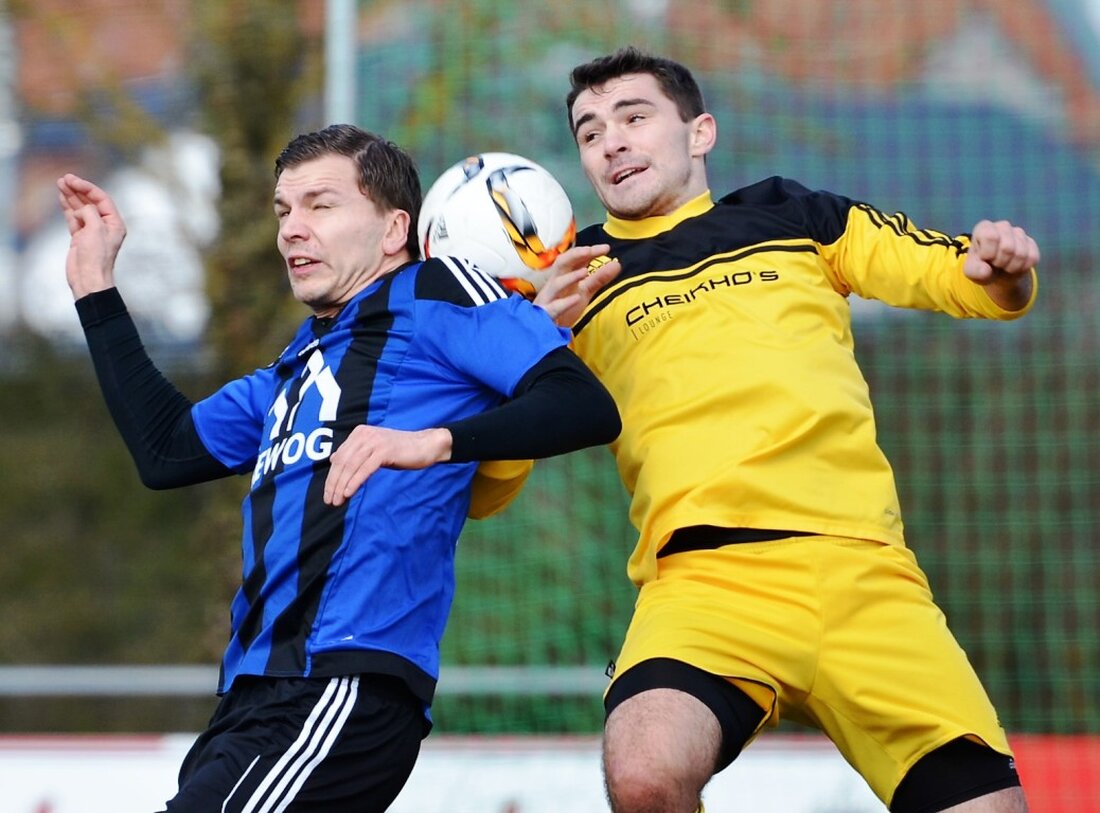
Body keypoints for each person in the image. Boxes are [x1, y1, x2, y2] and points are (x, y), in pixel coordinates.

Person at [58, 123, 620, 812]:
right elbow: (167, 450)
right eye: (283, 210)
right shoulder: (299, 362)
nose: (293, 228)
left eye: (321, 205)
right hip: (251, 698)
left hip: (340, 684)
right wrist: (94, 287)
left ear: (393, 231)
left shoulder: (439, 291)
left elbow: (583, 404)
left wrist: (430, 441)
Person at [534, 47, 1039, 813]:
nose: (612, 141)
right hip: (705, 584)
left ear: (700, 132)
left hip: (863, 573)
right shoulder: (574, 286)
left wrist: (1004, 269)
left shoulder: (794, 214)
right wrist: (532, 336)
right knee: (643, 770)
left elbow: (967, 279)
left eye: (634, 117)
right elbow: (497, 463)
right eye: (590, 132)